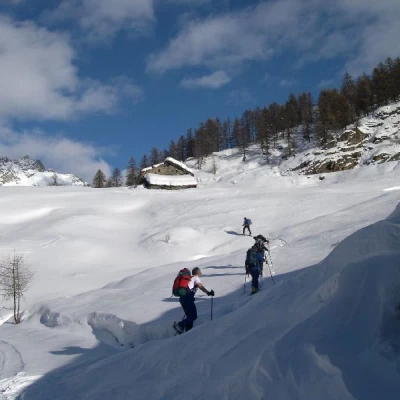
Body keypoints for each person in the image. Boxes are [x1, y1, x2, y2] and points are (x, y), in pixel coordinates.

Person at [175, 267, 214, 334]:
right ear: (198, 273)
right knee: (193, 316)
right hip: (188, 299)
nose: (200, 274)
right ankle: (179, 325)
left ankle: (186, 332)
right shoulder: (196, 278)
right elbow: (200, 286)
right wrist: (208, 293)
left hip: (183, 299)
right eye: (200, 273)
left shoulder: (190, 279)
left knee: (190, 317)